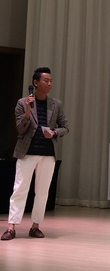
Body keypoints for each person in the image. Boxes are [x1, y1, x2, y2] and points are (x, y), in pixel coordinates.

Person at [2, 67, 69, 241]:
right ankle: (11, 227)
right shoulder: (22, 102)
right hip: (27, 153)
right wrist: (27, 111)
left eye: (51, 81)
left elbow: (65, 127)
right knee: (20, 189)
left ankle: (35, 226)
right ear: (35, 83)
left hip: (48, 154)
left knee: (42, 192)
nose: (49, 84)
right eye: (46, 81)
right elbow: (20, 129)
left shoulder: (56, 104)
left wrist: (54, 132)